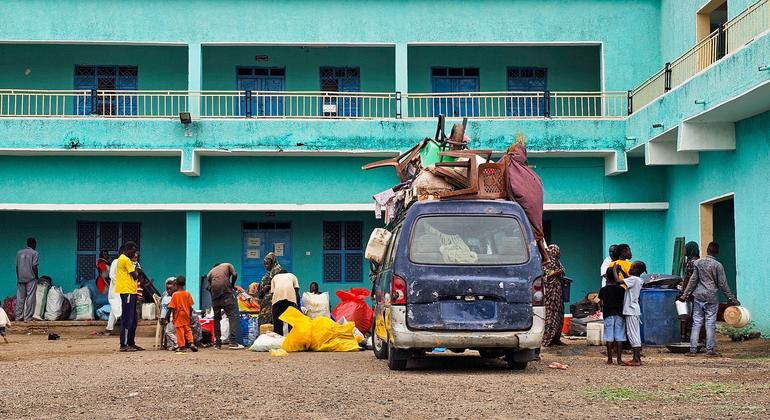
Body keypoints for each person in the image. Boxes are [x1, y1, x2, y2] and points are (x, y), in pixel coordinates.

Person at [678, 242, 740, 357]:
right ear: (717, 252)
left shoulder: (698, 263)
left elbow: (693, 281)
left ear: (707, 250)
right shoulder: (717, 265)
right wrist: (732, 299)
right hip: (711, 297)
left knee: (696, 323)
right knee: (710, 323)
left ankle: (692, 350)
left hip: (698, 296)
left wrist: (685, 295)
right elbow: (723, 284)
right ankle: (710, 350)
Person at [499, 135, 549, 264]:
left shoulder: (508, 162)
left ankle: (544, 256)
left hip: (525, 204)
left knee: (534, 231)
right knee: (536, 231)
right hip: (533, 209)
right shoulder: (531, 174)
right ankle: (544, 256)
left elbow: (495, 171)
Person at [206, 262, 243, 350]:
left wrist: (214, 296)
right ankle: (233, 342)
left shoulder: (210, 272)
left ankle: (217, 344)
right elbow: (234, 274)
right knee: (232, 316)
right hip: (226, 293)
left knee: (217, 318)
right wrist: (232, 285)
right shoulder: (228, 265)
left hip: (215, 295)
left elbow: (208, 287)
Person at [115, 241, 142, 352]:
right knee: (127, 319)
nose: (136, 255)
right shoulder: (125, 260)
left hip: (132, 291)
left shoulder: (127, 260)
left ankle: (131, 343)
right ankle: (124, 344)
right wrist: (137, 269)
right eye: (134, 252)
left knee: (134, 319)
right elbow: (135, 276)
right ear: (129, 250)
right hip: (127, 292)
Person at [599, 265, 626, 365]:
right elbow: (624, 302)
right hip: (619, 314)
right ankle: (619, 359)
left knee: (609, 337)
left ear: (606, 277)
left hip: (608, 315)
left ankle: (609, 359)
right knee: (619, 337)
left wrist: (602, 308)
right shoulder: (622, 290)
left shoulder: (603, 290)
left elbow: (601, 303)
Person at [623, 261, 646, 366]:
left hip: (631, 310)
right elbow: (626, 279)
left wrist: (615, 270)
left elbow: (619, 281)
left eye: (631, 267)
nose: (629, 269)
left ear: (636, 270)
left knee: (632, 335)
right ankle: (636, 358)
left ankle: (636, 359)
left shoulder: (633, 279)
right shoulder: (637, 280)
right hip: (634, 310)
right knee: (635, 334)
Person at [166, 276, 198, 353]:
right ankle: (191, 343)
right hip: (186, 315)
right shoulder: (187, 294)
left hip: (178, 315)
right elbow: (190, 307)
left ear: (176, 284)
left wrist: (170, 317)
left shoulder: (175, 295)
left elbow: (172, 308)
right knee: (188, 330)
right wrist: (190, 316)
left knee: (180, 331)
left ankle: (182, 346)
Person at [541, 244, 565, 347]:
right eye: (558, 251)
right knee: (551, 314)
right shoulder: (547, 262)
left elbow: (563, 271)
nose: (559, 253)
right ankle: (547, 339)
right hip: (551, 293)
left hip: (557, 292)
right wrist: (556, 273)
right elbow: (546, 277)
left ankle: (556, 338)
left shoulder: (557, 262)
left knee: (559, 314)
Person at [679, 241, 700, 341]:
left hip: (691, 292)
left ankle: (689, 336)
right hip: (697, 291)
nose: (684, 251)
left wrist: (685, 292)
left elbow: (690, 279)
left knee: (690, 314)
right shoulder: (698, 260)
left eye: (685, 249)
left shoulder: (691, 262)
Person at [15, 237, 39, 322]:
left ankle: (18, 317)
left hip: (21, 279)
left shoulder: (19, 253)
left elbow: (17, 268)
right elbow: (34, 266)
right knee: (30, 298)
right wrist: (37, 277)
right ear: (34, 244)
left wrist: (19, 278)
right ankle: (28, 318)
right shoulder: (34, 253)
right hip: (31, 279)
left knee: (20, 298)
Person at [271, 269, 300, 336]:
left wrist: (273, 306)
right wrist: (298, 305)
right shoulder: (293, 276)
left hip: (277, 299)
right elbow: (296, 291)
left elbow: (272, 293)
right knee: (291, 320)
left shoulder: (275, 277)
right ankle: (292, 337)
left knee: (278, 320)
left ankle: (278, 338)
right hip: (290, 299)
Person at [258, 252, 283, 327]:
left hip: (273, 297)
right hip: (267, 296)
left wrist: (268, 286)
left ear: (273, 263)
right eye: (265, 264)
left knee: (268, 316)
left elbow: (278, 283)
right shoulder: (270, 272)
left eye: (268, 264)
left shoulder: (277, 270)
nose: (266, 266)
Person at [106, 246, 124, 335]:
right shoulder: (116, 262)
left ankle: (111, 328)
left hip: (124, 289)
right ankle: (110, 328)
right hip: (116, 289)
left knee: (118, 307)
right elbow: (112, 276)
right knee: (115, 306)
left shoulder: (128, 262)